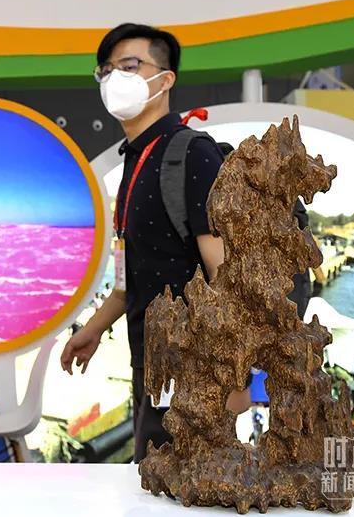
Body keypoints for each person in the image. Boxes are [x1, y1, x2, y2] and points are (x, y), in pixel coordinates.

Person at [59, 23, 250, 463]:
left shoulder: (191, 153)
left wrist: (235, 378)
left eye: (130, 66)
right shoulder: (135, 162)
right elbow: (130, 276)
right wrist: (94, 328)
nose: (114, 78)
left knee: (183, 488)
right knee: (150, 479)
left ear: (165, 80)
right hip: (149, 366)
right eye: (106, 70)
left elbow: (226, 275)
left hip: (196, 374)